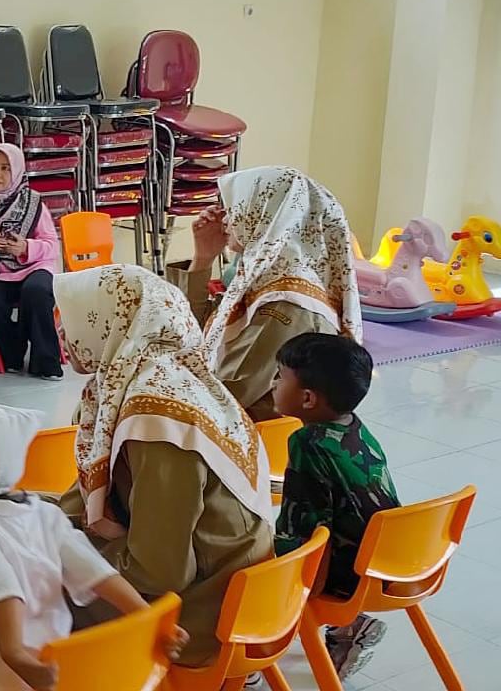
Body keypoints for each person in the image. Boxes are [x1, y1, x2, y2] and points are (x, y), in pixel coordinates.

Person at [54, 265, 273, 668]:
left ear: (110, 322)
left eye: (70, 319)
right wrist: (33, 517)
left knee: (17, 585)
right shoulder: (166, 372)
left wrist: (53, 554)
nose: (63, 334)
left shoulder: (156, 420)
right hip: (226, 580)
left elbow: (161, 572)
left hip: (202, 612)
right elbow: (85, 497)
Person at [0, 403, 187, 691]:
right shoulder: (46, 515)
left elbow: (2, 591)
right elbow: (98, 573)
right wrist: (148, 617)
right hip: (54, 662)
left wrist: (16, 656)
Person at [167, 165, 361, 420]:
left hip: (253, 433)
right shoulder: (270, 276)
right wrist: (203, 257)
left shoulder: (285, 303)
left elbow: (227, 395)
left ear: (266, 215)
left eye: (236, 208)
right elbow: (196, 332)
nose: (225, 219)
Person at [273, 333, 400, 680]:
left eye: (280, 376)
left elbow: (306, 530)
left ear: (308, 398)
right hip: (386, 560)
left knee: (238, 565)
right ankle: (350, 628)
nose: (272, 385)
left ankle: (248, 670)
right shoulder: (354, 426)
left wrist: (284, 583)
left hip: (349, 574)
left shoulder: (307, 442)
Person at [0, 144, 63, 380]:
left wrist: (25, 247)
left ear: (16, 173)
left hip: (33, 268)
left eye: (5, 168)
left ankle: (46, 362)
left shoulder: (33, 203)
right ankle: (13, 353)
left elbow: (51, 244)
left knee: (36, 292)